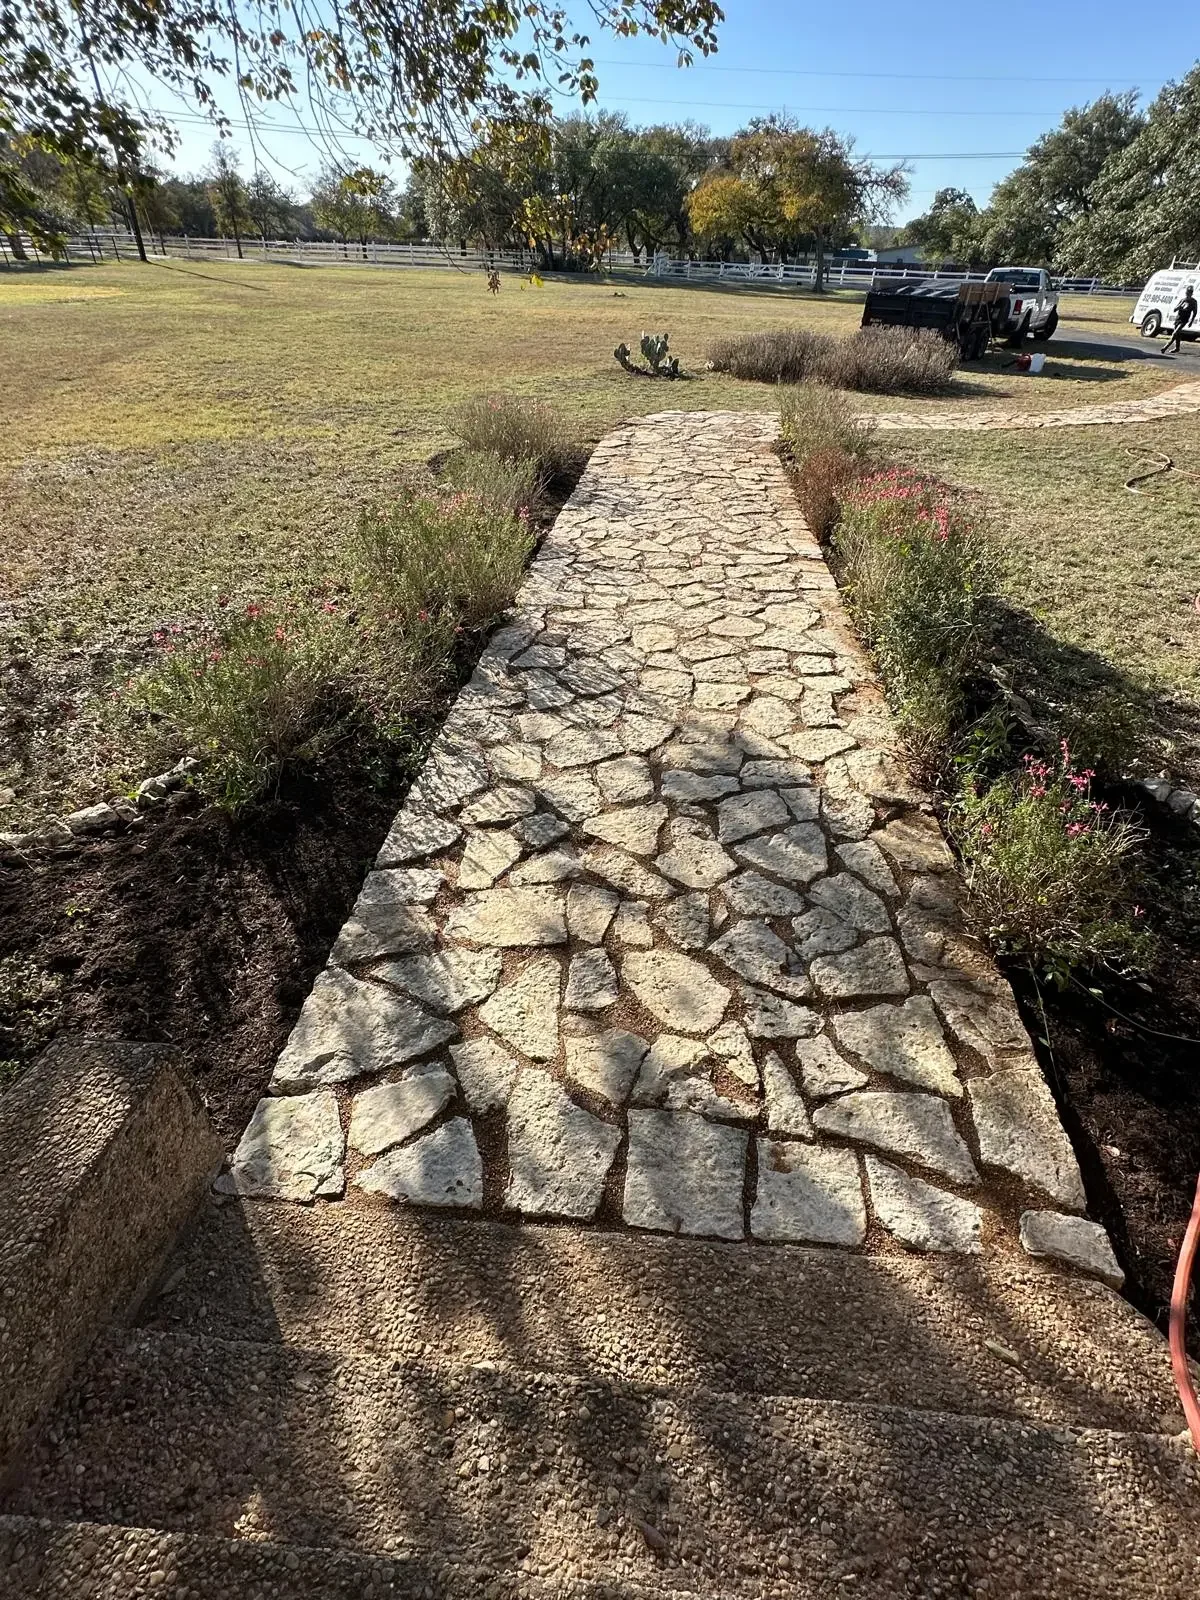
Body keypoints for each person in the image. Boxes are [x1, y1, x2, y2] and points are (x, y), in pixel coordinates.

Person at [1161, 284, 1197, 354]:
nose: (1187, 294)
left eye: (1189, 293)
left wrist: (1191, 321)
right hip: (1178, 318)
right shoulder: (1183, 300)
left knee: (1175, 333)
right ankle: (1177, 348)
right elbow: (1175, 309)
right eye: (1187, 293)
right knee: (1177, 334)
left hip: (1184, 319)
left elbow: (1194, 312)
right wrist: (1180, 306)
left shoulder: (1193, 302)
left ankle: (1165, 347)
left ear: (1191, 293)